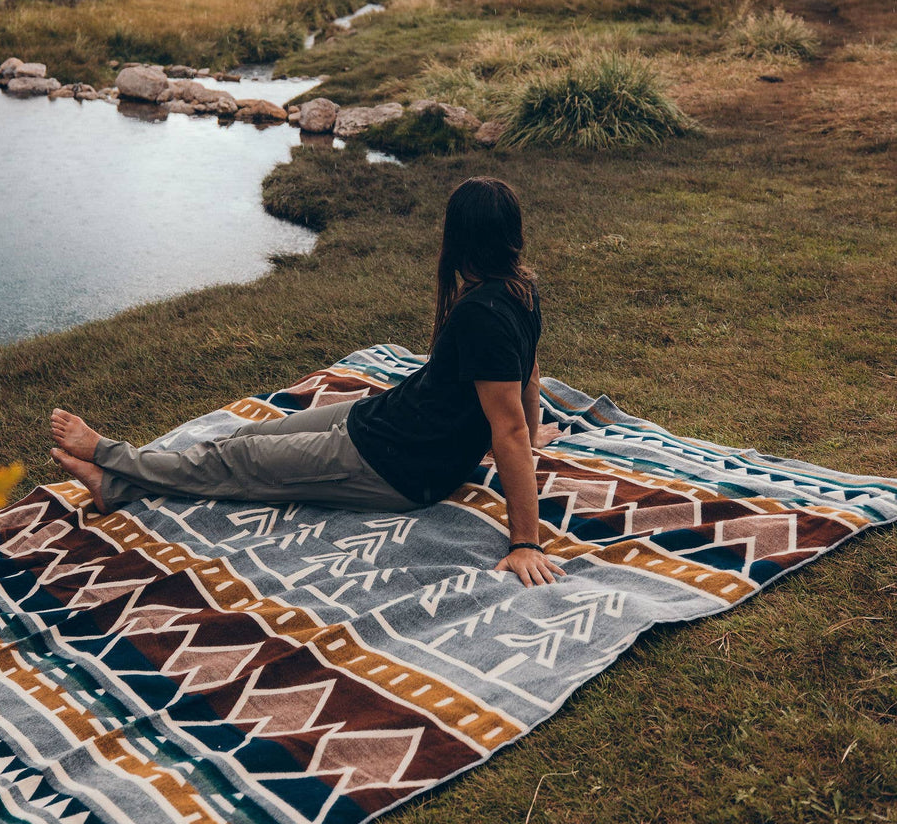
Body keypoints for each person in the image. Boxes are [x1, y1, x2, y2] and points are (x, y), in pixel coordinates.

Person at [50, 176, 566, 588]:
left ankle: (109, 456)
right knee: (247, 438)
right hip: (385, 420)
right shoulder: (521, 286)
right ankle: (115, 487)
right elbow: (530, 370)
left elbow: (508, 430)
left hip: (396, 466)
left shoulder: (485, 313)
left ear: (459, 238)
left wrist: (527, 541)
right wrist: (534, 423)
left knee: (238, 464)